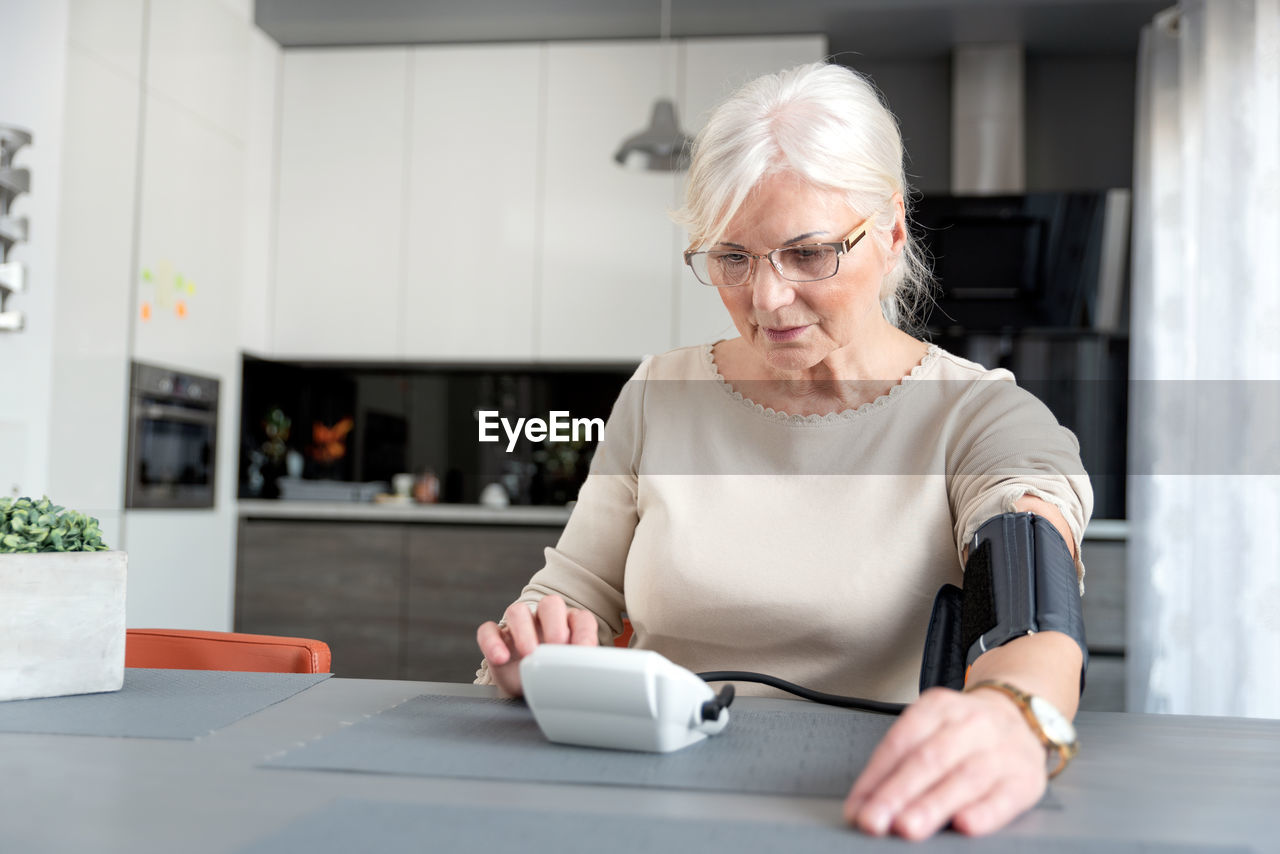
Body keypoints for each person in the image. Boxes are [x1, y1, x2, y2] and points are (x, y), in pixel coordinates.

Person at [475, 61, 1092, 841]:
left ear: (892, 231)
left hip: (870, 809)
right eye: (732, 257)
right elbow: (571, 594)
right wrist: (538, 641)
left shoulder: (979, 415)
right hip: (644, 804)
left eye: (809, 254)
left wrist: (1014, 714)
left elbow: (1030, 600)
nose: (765, 298)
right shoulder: (659, 391)